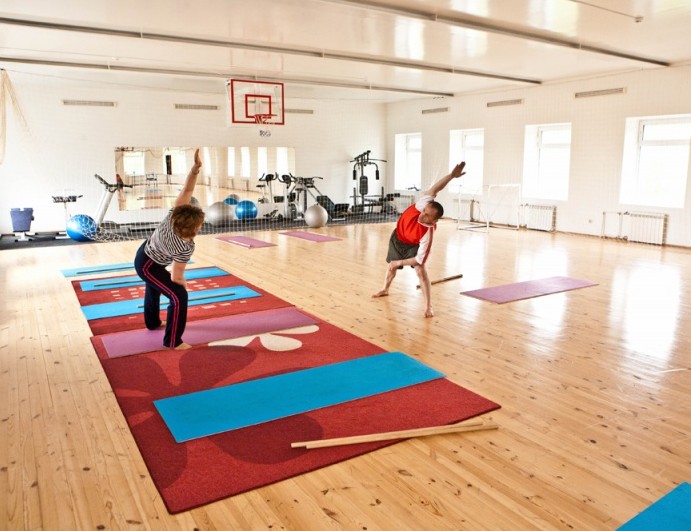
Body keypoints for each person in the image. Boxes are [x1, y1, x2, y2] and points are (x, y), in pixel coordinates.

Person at [372, 162, 466, 318]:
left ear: (434, 221)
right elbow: (434, 190)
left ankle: (428, 306)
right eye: (424, 211)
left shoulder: (426, 235)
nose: (422, 214)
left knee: (420, 271)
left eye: (427, 215)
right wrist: (451, 176)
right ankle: (385, 289)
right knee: (391, 267)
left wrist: (399, 262)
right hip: (398, 237)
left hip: (412, 245)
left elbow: (418, 260)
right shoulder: (423, 205)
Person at [134, 148, 206, 349]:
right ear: (194, 228)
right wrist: (182, 289)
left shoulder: (173, 216)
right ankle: (173, 341)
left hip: (144, 254)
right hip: (148, 265)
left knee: (154, 286)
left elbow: (187, 191)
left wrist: (195, 169)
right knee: (178, 297)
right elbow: (176, 277)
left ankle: (152, 322)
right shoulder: (185, 246)